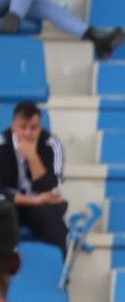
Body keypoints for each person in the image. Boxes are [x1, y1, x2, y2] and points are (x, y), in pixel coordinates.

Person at [0, 101, 66, 250]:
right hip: (11, 202)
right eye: (23, 127)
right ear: (13, 127)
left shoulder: (52, 144)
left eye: (33, 128)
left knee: (53, 220)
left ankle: (58, 263)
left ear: (40, 127)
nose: (28, 133)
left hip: (43, 203)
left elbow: (51, 188)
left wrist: (32, 157)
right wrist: (34, 200)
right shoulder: (1, 144)